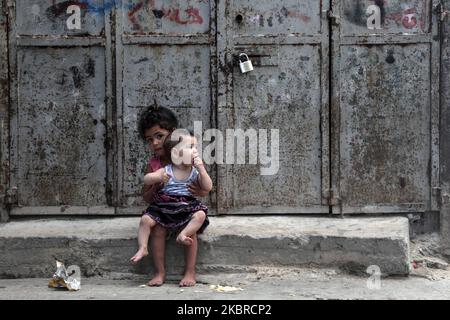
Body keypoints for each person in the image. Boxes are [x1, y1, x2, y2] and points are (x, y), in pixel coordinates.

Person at [130, 105, 209, 287]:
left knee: (192, 231)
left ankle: (190, 271)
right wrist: (156, 186)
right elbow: (147, 198)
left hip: (184, 209)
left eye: (159, 136)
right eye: (149, 140)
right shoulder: (155, 164)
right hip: (163, 209)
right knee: (157, 230)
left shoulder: (187, 159)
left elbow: (203, 188)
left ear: (173, 134)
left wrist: (202, 190)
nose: (155, 143)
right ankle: (159, 272)